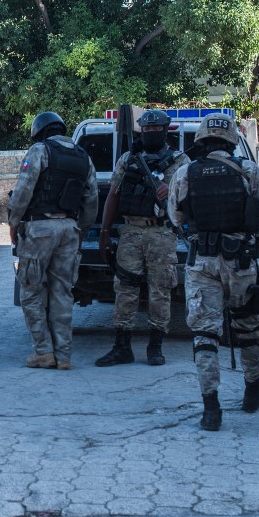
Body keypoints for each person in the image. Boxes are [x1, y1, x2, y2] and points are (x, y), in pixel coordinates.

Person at [168, 113, 259, 431]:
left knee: (205, 334)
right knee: (247, 327)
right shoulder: (248, 171)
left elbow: (175, 217)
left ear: (201, 141)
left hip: (202, 260)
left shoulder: (186, 172)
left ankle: (211, 410)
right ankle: (253, 390)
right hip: (241, 261)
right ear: (231, 141)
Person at [96, 109, 190, 367]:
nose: (150, 133)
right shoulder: (129, 159)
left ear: (165, 130)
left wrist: (169, 193)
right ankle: (121, 347)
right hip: (130, 232)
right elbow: (113, 195)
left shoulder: (180, 162)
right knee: (124, 290)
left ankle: (155, 347)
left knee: (160, 290)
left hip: (161, 233)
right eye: (146, 130)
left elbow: (188, 201)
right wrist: (105, 232)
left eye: (155, 129)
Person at [7, 112, 98, 370]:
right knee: (63, 292)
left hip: (39, 229)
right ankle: (64, 356)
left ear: (40, 132)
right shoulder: (83, 157)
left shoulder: (40, 150)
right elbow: (91, 201)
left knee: (31, 289)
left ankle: (42, 352)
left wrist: (14, 222)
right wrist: (80, 230)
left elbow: (24, 190)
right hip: (70, 228)